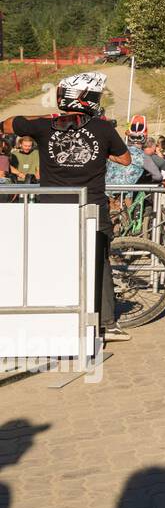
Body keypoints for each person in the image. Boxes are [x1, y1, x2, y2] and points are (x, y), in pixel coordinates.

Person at [1, 72, 135, 341]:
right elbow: (125, 159)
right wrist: (100, 151)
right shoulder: (104, 128)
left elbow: (7, 124)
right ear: (88, 99)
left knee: (54, 261)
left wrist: (44, 120)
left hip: (54, 208)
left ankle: (54, 316)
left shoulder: (44, 126)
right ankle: (106, 323)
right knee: (99, 263)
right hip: (92, 206)